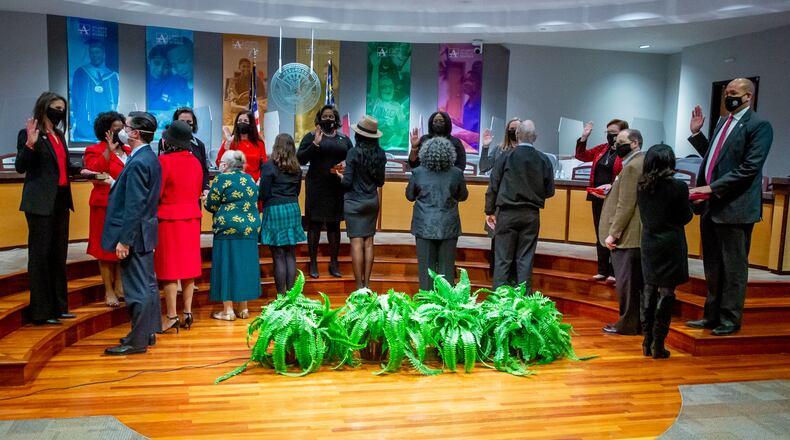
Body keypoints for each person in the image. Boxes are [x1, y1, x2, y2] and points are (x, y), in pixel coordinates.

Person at [685, 78, 773, 336]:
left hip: (736, 208)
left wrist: (711, 188)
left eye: (733, 93)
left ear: (748, 97)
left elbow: (749, 167)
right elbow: (716, 159)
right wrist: (696, 135)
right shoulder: (723, 123)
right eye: (726, 93)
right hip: (712, 206)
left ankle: (730, 319)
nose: (728, 97)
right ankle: (711, 316)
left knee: (733, 267)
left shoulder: (759, 126)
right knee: (712, 265)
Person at [16, 92, 83, 325]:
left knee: (58, 255)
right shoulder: (29, 134)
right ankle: (41, 312)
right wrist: (29, 146)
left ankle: (59, 307)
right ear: (44, 107)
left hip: (61, 201)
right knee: (40, 256)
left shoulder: (59, 134)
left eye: (62, 108)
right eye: (56, 107)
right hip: (40, 203)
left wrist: (80, 169)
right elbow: (20, 167)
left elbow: (62, 166)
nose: (60, 112)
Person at [101, 111, 162, 355]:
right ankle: (145, 333)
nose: (123, 131)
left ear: (135, 133)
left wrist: (124, 240)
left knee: (137, 289)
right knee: (147, 285)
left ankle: (137, 342)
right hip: (145, 231)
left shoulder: (138, 161)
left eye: (126, 127)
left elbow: (134, 204)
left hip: (135, 234)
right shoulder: (149, 157)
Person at [485, 120, 555, 291]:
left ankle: (499, 305)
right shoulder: (544, 159)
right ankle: (523, 304)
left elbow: (494, 185)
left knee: (503, 259)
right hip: (531, 214)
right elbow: (550, 191)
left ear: (517, 135)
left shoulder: (506, 156)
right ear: (535, 137)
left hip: (507, 213)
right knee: (525, 259)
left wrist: (489, 210)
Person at [637, 144, 693, 359]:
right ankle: (658, 344)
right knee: (667, 293)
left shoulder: (641, 185)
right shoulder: (678, 187)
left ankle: (646, 341)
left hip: (649, 243)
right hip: (670, 244)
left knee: (649, 289)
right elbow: (685, 217)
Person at [155, 120, 203, 333]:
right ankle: (188, 312)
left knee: (169, 269)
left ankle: (172, 316)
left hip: (168, 219)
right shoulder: (195, 162)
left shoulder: (163, 162)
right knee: (189, 268)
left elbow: (157, 192)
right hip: (192, 219)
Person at [297, 105, 353, 279]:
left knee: (334, 225)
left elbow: (352, 159)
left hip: (336, 187)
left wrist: (345, 166)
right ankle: (313, 263)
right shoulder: (311, 136)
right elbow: (300, 159)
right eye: (325, 116)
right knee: (314, 225)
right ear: (319, 119)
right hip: (316, 186)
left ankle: (334, 263)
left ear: (335, 119)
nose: (328, 119)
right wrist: (315, 144)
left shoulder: (344, 138)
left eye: (331, 116)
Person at [406, 137, 469, 290]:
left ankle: (426, 304)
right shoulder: (456, 173)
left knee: (426, 270)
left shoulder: (418, 172)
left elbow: (409, 196)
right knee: (447, 270)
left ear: (425, 153)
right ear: (449, 154)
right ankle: (446, 307)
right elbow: (463, 196)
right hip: (448, 225)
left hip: (424, 226)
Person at [599, 129, 645, 336]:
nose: (616, 146)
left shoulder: (632, 167)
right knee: (634, 283)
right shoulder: (638, 163)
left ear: (635, 143)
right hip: (633, 235)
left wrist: (613, 234)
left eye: (621, 142)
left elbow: (626, 205)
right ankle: (636, 322)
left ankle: (627, 324)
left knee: (627, 284)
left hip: (627, 236)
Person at [206, 150, 262, 320]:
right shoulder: (250, 179)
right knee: (243, 266)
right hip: (249, 229)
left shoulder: (222, 178)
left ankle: (228, 310)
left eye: (222, 161)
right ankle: (243, 308)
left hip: (227, 229)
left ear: (227, 164)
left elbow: (211, 205)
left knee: (227, 266)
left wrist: (206, 197)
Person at [82, 111, 129, 307]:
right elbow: (94, 169)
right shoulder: (94, 149)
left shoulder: (127, 149)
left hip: (125, 206)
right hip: (104, 205)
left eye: (121, 128)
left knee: (121, 248)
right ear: (105, 130)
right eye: (115, 128)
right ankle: (108, 291)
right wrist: (108, 151)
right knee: (105, 250)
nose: (119, 131)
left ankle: (119, 286)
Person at [575, 119, 629, 283]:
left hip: (614, 198)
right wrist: (584, 137)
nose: (610, 136)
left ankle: (614, 271)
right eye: (608, 133)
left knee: (613, 233)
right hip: (597, 196)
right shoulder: (602, 149)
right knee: (600, 232)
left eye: (614, 133)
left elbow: (626, 176)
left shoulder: (625, 152)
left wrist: (612, 187)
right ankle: (602, 270)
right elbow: (581, 156)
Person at [338, 116, 387, 289]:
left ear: (359, 135)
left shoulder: (353, 153)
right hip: (372, 201)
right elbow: (380, 182)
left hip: (354, 202)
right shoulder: (380, 154)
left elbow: (347, 182)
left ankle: (359, 286)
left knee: (356, 242)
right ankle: (368, 284)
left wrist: (340, 176)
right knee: (369, 242)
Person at [259, 134, 306, 295]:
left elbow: (263, 193)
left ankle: (281, 297)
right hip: (292, 208)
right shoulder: (297, 168)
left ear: (275, 147)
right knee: (290, 254)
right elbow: (298, 191)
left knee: (278, 256)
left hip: (274, 209)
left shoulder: (268, 166)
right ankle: (292, 298)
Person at [70, 41, 119, 141]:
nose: (94, 55)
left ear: (103, 54)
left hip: (106, 127)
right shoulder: (81, 73)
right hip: (84, 126)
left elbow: (116, 100)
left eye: (97, 52)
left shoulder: (113, 76)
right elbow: (74, 98)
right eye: (91, 52)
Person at [158, 108, 210, 200]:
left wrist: (205, 187)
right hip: (171, 195)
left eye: (189, 122)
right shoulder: (165, 142)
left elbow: (204, 170)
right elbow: (160, 170)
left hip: (193, 195)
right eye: (181, 122)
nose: (185, 125)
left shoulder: (199, 145)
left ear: (193, 124)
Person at [216, 110, 266, 182]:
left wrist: (260, 181)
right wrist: (227, 145)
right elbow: (219, 163)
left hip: (254, 183)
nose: (242, 123)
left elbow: (264, 165)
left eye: (245, 121)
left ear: (251, 124)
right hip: (234, 183)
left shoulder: (259, 143)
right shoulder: (231, 141)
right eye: (239, 120)